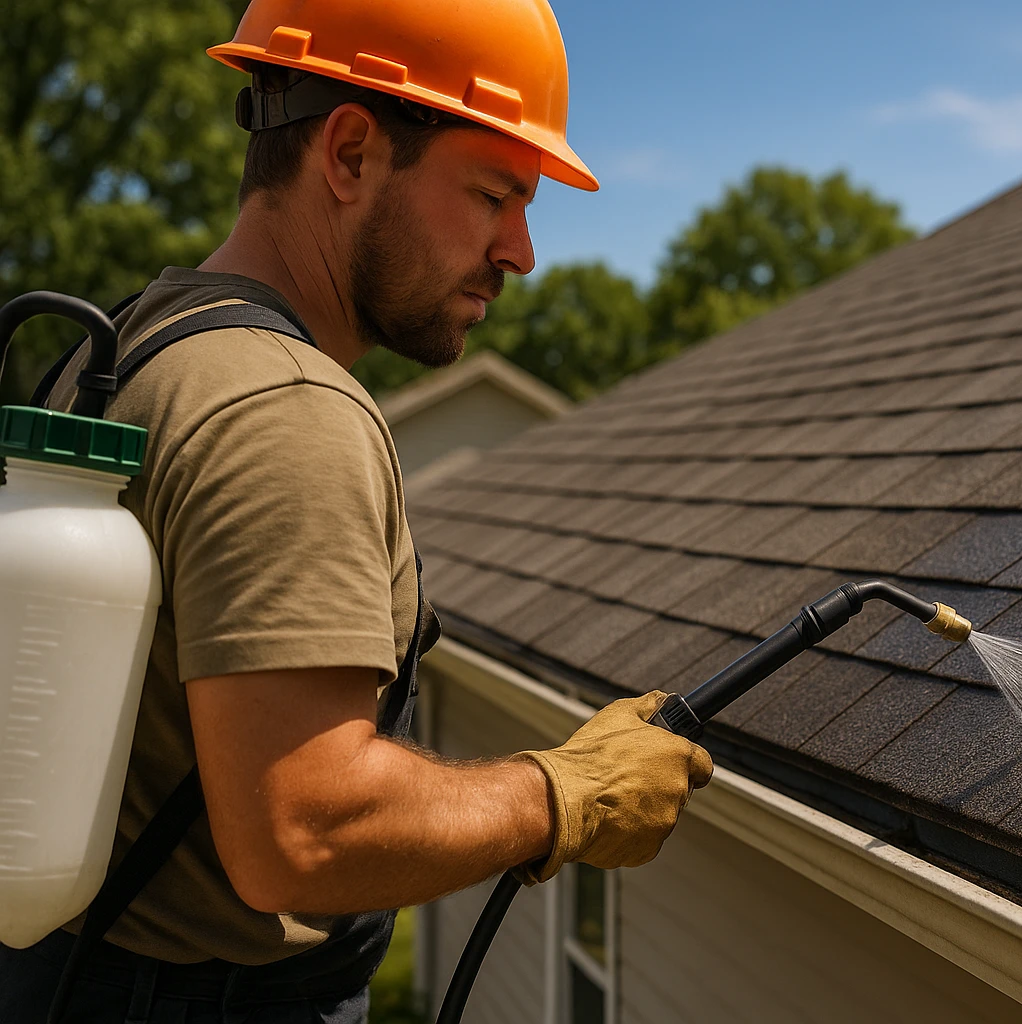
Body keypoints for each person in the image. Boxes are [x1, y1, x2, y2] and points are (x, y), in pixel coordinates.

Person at [0, 1, 712, 1021]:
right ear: (349, 153)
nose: (522, 250)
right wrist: (566, 794)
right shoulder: (289, 413)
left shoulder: (127, 342)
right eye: (493, 195)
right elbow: (304, 831)